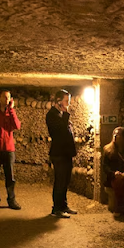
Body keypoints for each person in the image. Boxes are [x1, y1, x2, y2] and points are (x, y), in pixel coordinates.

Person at [0, 90, 22, 210]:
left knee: (10, 177)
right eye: (4, 97)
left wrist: (11, 110)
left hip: (8, 149)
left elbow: (17, 126)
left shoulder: (11, 112)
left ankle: (11, 200)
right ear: (0, 98)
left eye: (8, 98)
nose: (6, 100)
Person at [46, 89, 77, 218]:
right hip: (58, 153)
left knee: (66, 180)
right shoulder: (52, 115)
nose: (68, 104)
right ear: (59, 102)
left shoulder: (61, 115)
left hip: (66, 153)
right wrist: (65, 116)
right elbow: (59, 133)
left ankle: (63, 205)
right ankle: (56, 209)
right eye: (66, 101)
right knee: (60, 181)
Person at [102, 126, 124, 214]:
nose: (115, 136)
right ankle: (120, 205)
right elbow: (105, 166)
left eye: (118, 134)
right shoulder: (107, 150)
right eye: (114, 134)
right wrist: (114, 173)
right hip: (113, 178)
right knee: (118, 182)